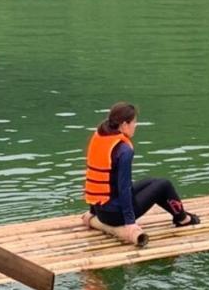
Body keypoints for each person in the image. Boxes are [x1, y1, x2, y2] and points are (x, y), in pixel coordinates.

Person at [81, 102, 200, 242]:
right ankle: (182, 219)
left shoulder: (100, 137)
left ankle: (179, 215)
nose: (135, 126)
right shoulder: (124, 150)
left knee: (152, 181)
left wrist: (93, 211)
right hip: (116, 216)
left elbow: (93, 177)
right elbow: (123, 187)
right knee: (164, 184)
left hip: (101, 211)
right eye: (134, 122)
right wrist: (130, 222)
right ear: (124, 124)